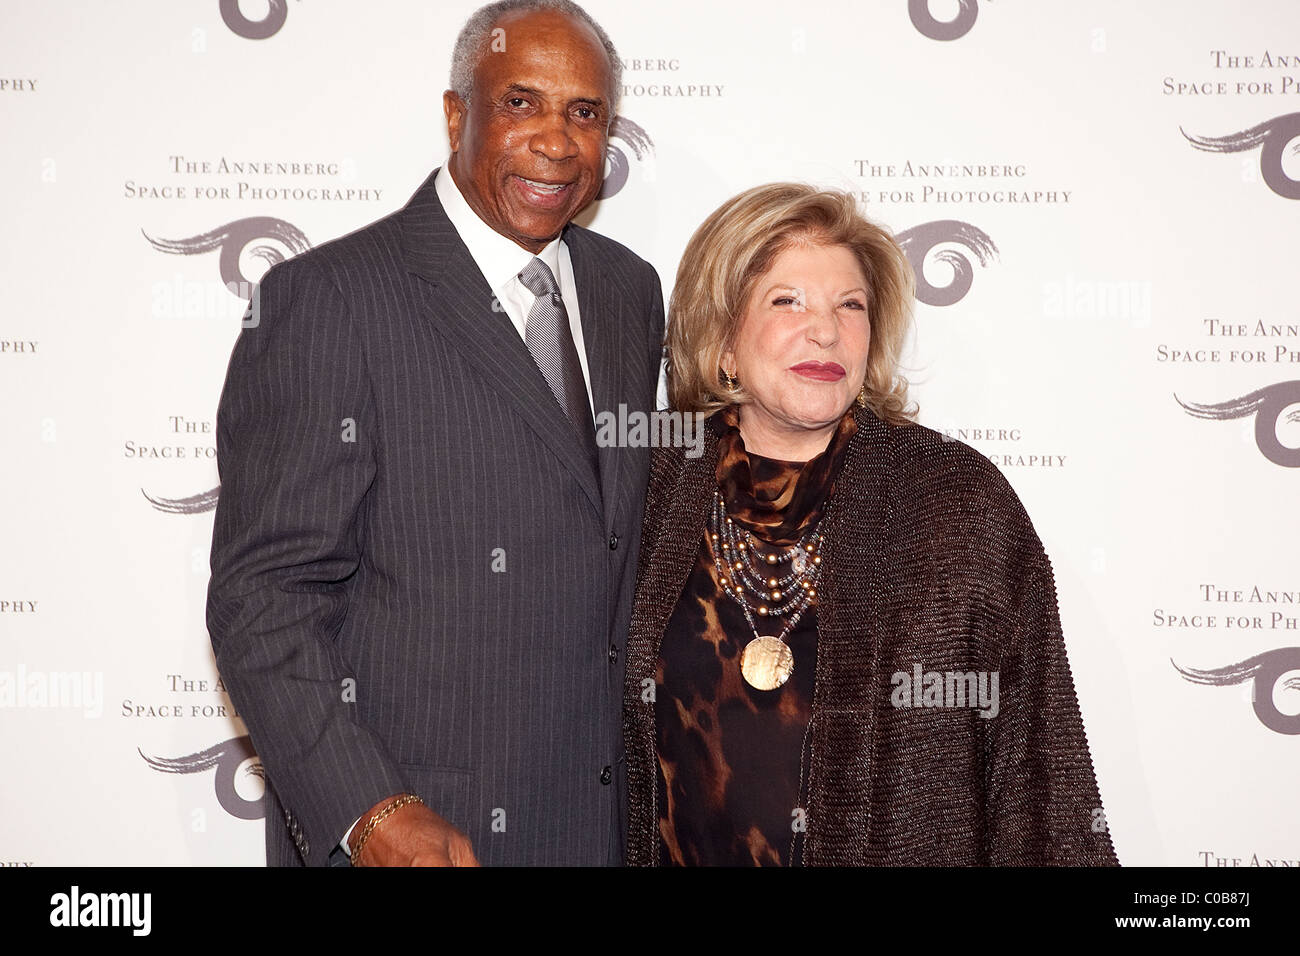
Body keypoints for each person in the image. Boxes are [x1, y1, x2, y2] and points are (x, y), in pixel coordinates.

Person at [207, 0, 664, 867]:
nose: (557, 141)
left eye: (585, 112)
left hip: (600, 832)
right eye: (521, 102)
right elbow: (262, 599)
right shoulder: (327, 299)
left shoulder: (626, 292)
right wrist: (370, 811)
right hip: (420, 837)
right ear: (457, 114)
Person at [622, 183, 1118, 866]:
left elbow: (1036, 764)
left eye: (849, 306)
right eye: (786, 300)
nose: (824, 330)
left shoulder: (954, 500)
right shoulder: (644, 489)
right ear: (724, 340)